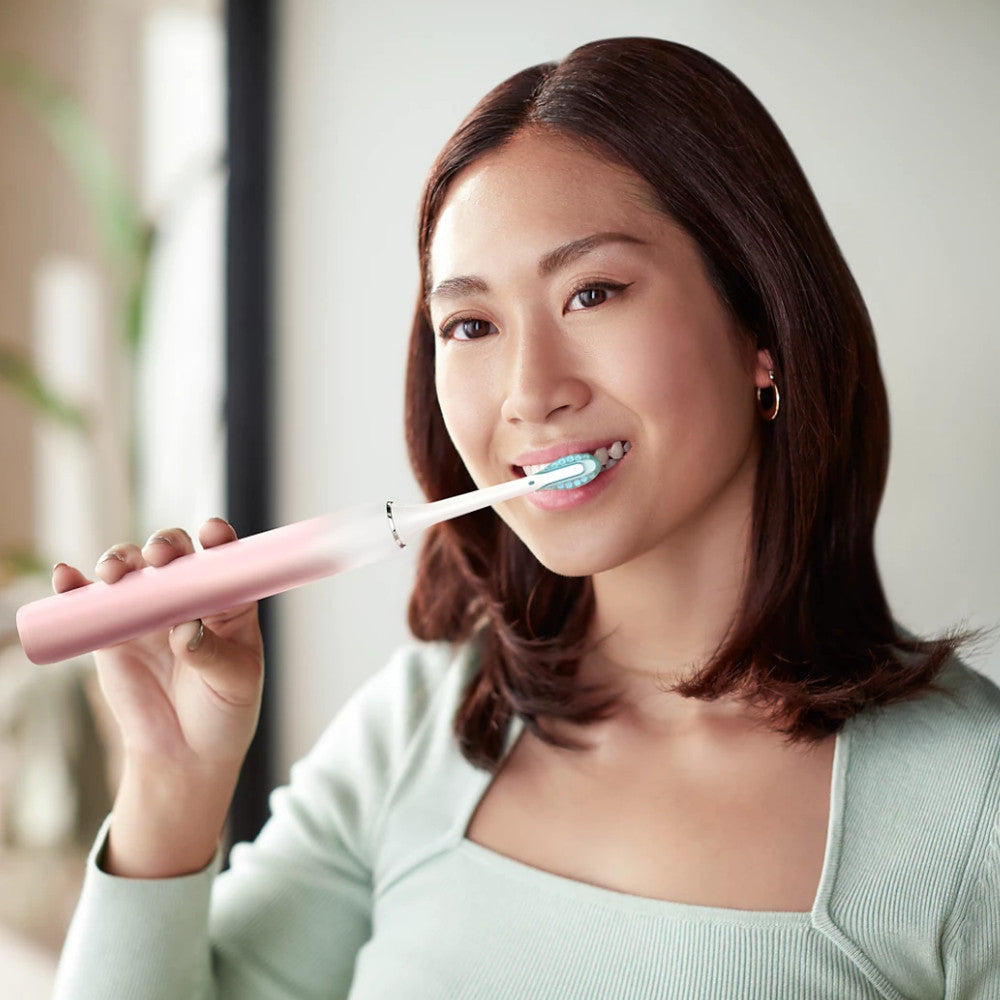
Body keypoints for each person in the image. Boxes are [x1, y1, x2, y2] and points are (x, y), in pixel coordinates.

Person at [53, 37, 998, 999]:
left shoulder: (975, 805)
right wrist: (171, 781)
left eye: (592, 293)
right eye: (471, 325)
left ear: (761, 326)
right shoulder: (421, 727)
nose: (529, 392)